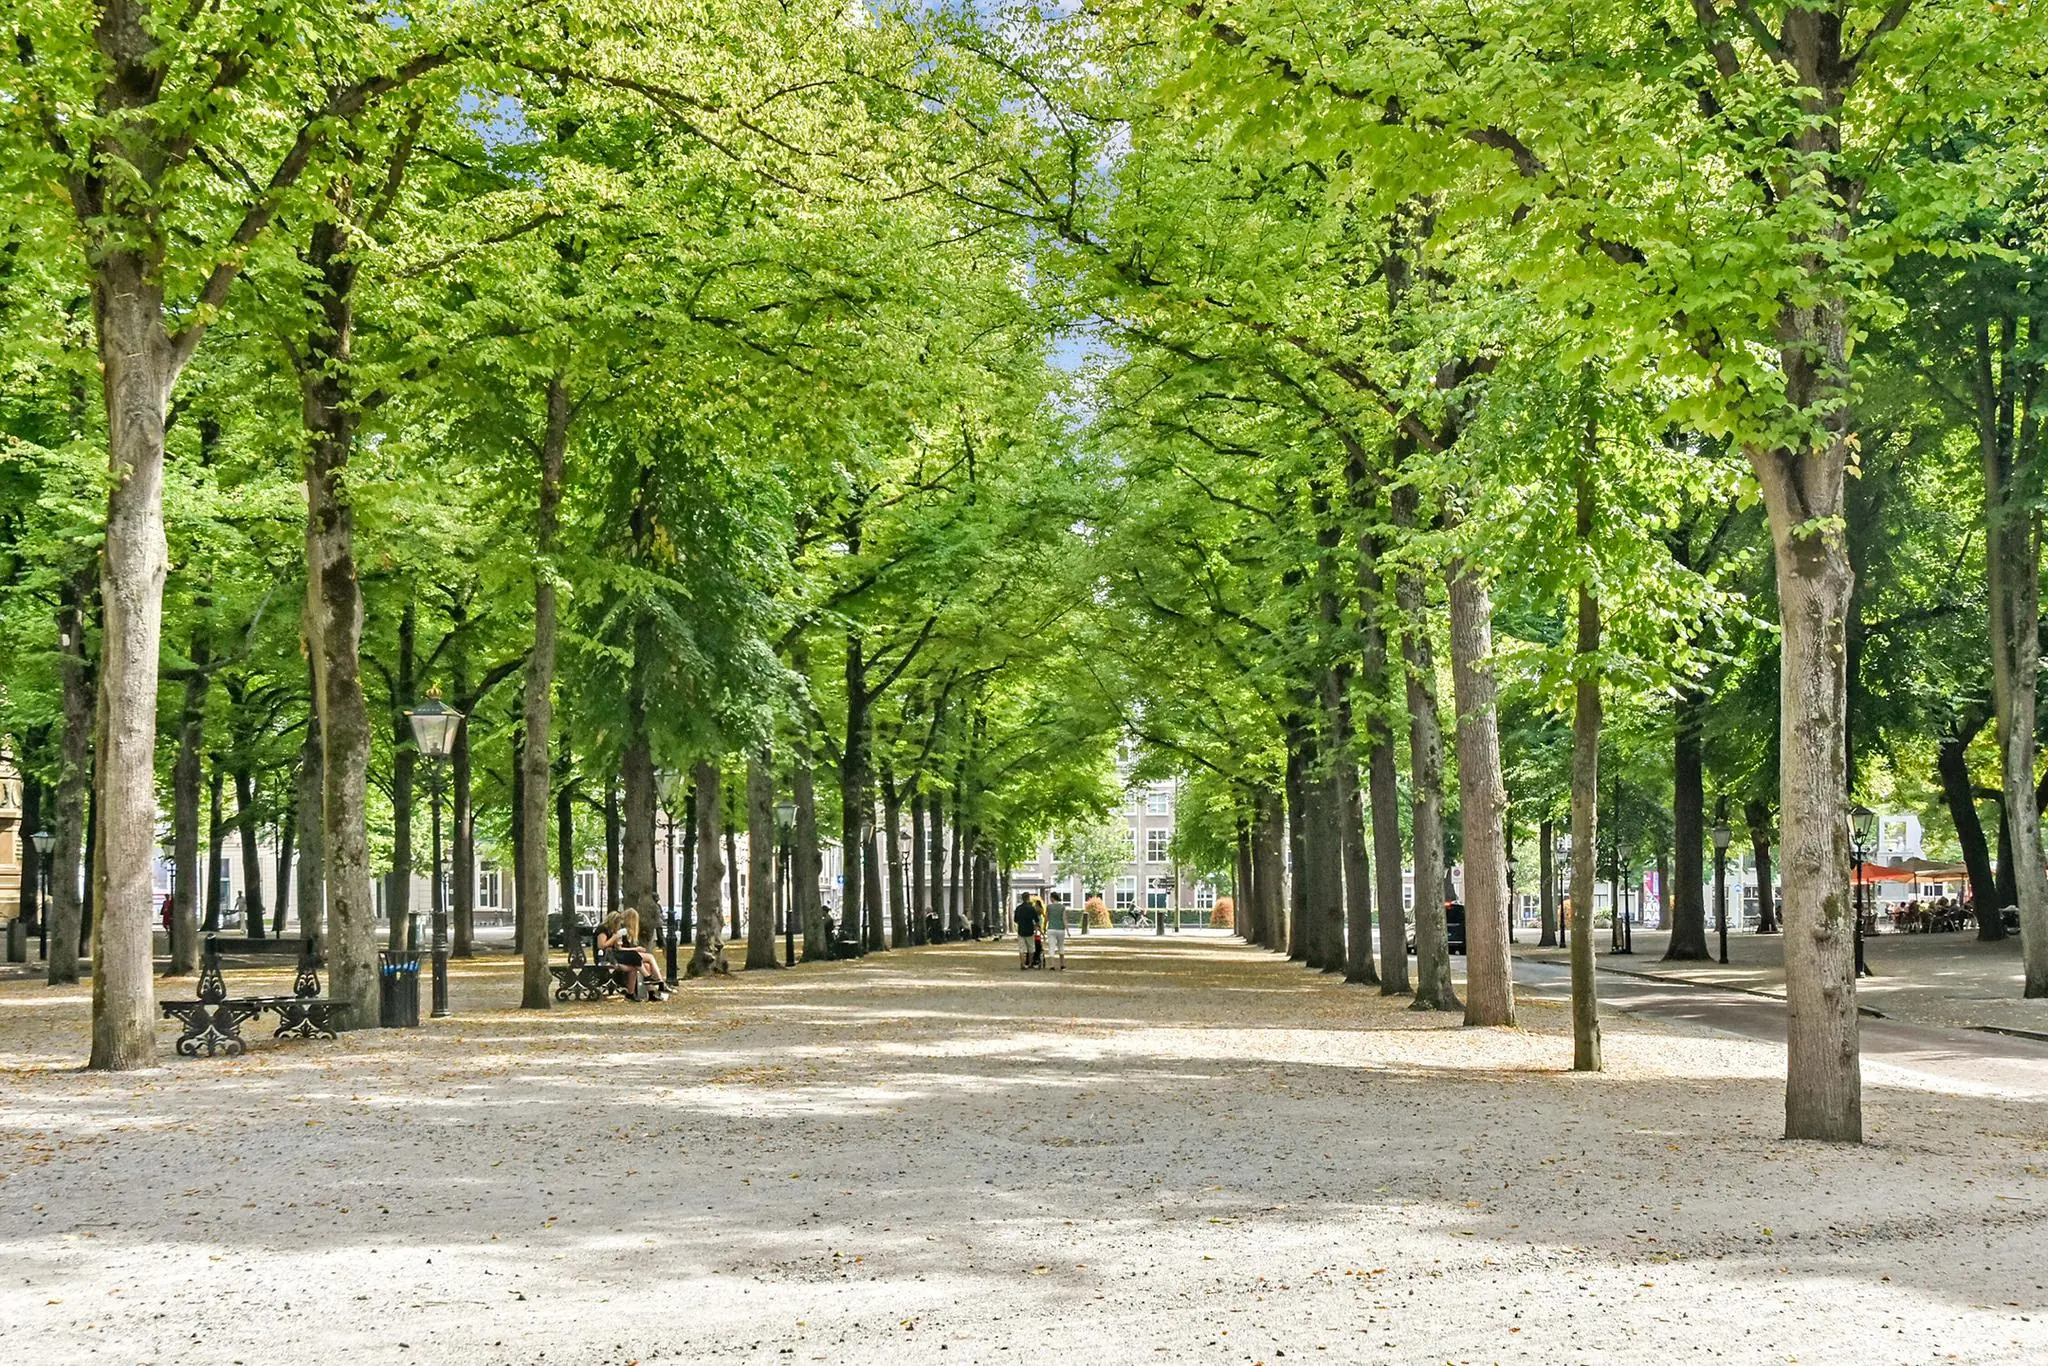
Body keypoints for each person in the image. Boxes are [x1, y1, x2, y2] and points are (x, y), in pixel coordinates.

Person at [599, 909, 671, 1000]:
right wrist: (616, 938)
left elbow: (618, 947)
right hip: (613, 957)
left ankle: (649, 992)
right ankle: (659, 982)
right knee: (648, 958)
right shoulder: (612, 931)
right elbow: (604, 946)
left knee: (645, 965)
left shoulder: (618, 931)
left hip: (620, 956)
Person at [1014, 894, 1042, 968]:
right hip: (1030, 931)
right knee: (1031, 948)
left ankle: (1022, 964)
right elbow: (1036, 920)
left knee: (1021, 949)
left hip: (1021, 930)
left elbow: (1015, 920)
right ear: (1028, 898)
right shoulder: (1032, 908)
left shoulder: (1018, 908)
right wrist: (1037, 927)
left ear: (1022, 898)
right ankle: (1030, 964)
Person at [1043, 895, 1067, 969]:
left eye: (1050, 898)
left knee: (1051, 946)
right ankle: (1062, 964)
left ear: (1052, 898)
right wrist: (1067, 929)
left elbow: (1046, 918)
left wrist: (1044, 927)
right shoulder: (1062, 907)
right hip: (1061, 929)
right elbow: (1064, 919)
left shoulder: (1049, 907)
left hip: (1051, 928)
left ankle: (1052, 965)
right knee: (1061, 946)